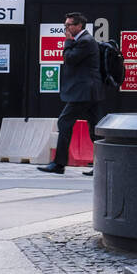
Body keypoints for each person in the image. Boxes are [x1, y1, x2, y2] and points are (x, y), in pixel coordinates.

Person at [37, 13, 105, 175]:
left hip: (84, 92)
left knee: (64, 122)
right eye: (65, 25)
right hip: (88, 92)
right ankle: (101, 166)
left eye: (69, 25)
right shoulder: (83, 41)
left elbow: (70, 59)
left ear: (79, 26)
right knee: (95, 129)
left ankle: (59, 164)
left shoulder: (85, 42)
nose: (66, 28)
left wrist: (67, 41)